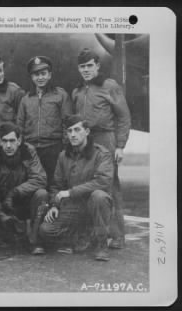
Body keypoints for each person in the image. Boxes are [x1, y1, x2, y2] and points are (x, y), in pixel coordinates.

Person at [72, 48, 131, 249]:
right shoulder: (78, 91)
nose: (86, 70)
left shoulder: (110, 86)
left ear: (97, 66)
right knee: (87, 186)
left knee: (109, 186)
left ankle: (117, 236)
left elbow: (123, 117)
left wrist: (120, 145)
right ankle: (92, 236)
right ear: (78, 69)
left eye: (90, 65)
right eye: (82, 66)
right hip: (86, 140)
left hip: (106, 138)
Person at [38, 115, 114, 261]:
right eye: (69, 131)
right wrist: (54, 205)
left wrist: (71, 192)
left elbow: (103, 181)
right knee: (45, 230)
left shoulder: (101, 154)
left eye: (77, 130)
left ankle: (101, 244)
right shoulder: (63, 156)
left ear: (86, 131)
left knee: (99, 196)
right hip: (73, 206)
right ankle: (82, 235)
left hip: (94, 205)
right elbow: (56, 185)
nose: (73, 134)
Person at [0, 123, 48, 250]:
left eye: (12, 141)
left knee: (42, 194)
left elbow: (40, 178)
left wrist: (15, 192)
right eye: (4, 141)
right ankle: (11, 238)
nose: (8, 145)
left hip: (25, 201)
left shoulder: (28, 152)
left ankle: (35, 240)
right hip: (5, 205)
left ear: (19, 141)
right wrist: (0, 214)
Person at [17, 56, 72, 187]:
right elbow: (20, 126)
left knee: (55, 183)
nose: (40, 78)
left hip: (54, 148)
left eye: (43, 73)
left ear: (49, 75)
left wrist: (64, 147)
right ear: (31, 77)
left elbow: (67, 123)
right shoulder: (26, 100)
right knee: (34, 183)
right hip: (32, 150)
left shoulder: (60, 95)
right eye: (36, 74)